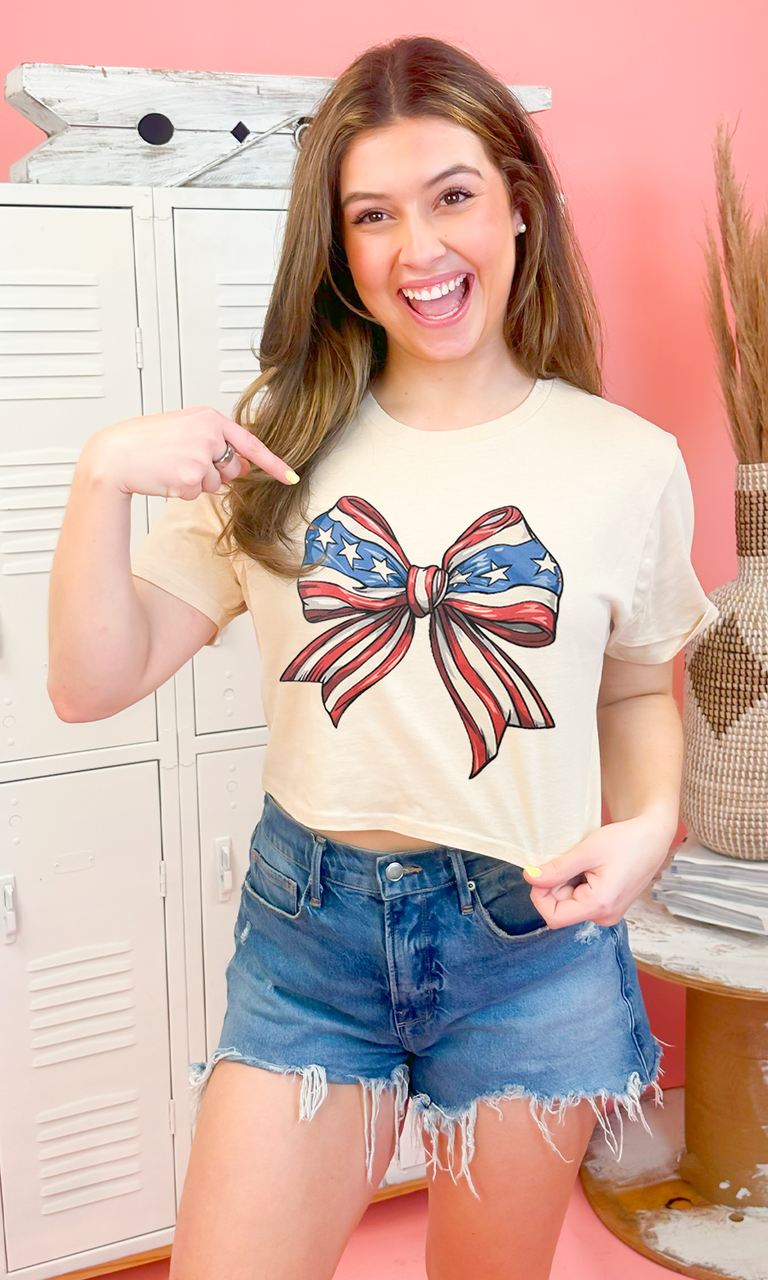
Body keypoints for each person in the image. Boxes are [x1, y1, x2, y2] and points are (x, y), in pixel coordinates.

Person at [48, 35, 719, 1280]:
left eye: (453, 195)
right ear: (338, 243)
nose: (419, 250)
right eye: (374, 214)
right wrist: (100, 479)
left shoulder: (629, 460)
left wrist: (654, 822)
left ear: (519, 203)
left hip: (536, 940)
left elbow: (637, 685)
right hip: (313, 935)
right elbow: (90, 683)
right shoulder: (274, 433)